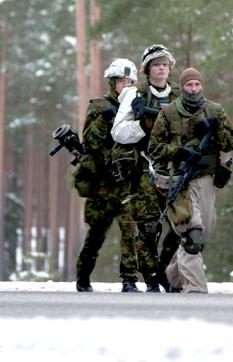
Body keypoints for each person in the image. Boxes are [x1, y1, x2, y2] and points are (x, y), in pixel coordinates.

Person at [148, 67, 233, 293]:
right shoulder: (168, 113)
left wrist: (215, 129)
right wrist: (178, 151)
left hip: (206, 179)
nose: (193, 89)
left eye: (197, 84)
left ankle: (172, 277)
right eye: (189, 85)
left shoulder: (214, 110)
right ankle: (196, 289)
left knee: (204, 232)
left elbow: (231, 143)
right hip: (178, 180)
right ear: (182, 87)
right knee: (193, 234)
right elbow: (154, 147)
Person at [111, 44, 181, 292]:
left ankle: (163, 271)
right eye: (156, 64)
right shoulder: (135, 94)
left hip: (175, 168)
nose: (161, 68)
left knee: (181, 227)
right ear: (148, 69)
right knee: (149, 227)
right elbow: (117, 132)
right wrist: (144, 125)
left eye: (165, 64)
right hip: (144, 167)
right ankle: (151, 278)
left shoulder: (178, 95)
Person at [74, 58, 141, 292]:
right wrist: (106, 118)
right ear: (112, 83)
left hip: (127, 183)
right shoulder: (99, 106)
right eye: (123, 81)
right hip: (103, 184)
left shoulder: (136, 107)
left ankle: (129, 280)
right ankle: (82, 277)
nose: (127, 85)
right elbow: (90, 142)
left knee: (130, 229)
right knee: (96, 233)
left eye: (131, 81)